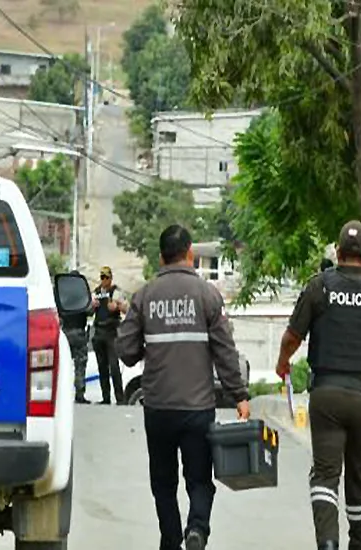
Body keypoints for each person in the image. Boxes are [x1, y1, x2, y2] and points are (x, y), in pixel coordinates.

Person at [275, 220, 361, 550]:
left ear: (337, 253)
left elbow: (293, 336)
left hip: (326, 395)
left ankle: (327, 542)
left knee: (325, 473)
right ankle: (358, 544)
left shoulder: (319, 287)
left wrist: (283, 363)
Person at [116, 225, 250, 550]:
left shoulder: (144, 296)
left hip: (159, 409)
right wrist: (239, 396)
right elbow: (225, 351)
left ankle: (171, 541)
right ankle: (197, 530)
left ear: (161, 257)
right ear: (190, 253)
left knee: (163, 484)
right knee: (200, 480)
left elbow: (126, 351)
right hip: (197, 410)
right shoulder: (207, 296)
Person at [92, 266, 129, 405]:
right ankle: (105, 398)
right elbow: (89, 309)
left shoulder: (116, 292)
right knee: (102, 367)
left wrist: (118, 306)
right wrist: (92, 305)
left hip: (112, 333)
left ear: (111, 278)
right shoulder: (96, 292)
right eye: (102, 277)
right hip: (99, 331)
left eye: (107, 277)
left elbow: (126, 309)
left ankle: (120, 399)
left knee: (114, 367)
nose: (104, 280)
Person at [60, 270, 93, 404]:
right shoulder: (81, 296)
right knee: (80, 365)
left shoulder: (63, 295)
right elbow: (90, 311)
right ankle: (79, 394)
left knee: (63, 365)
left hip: (65, 333)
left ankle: (62, 394)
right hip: (79, 333)